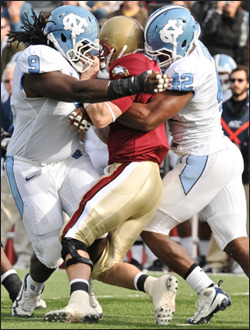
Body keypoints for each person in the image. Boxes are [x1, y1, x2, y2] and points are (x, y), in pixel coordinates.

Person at [5, 5, 167, 319]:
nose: (90, 51)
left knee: (91, 229)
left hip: (70, 159)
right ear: (62, 38)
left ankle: (81, 295)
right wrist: (133, 84)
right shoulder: (37, 57)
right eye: (83, 43)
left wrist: (87, 106)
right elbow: (74, 89)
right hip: (30, 166)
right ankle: (31, 289)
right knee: (51, 253)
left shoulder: (76, 67)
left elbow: (87, 100)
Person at [117, 4, 248, 324]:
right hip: (221, 152)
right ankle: (209, 292)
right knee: (237, 243)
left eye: (161, 53)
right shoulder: (198, 48)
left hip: (203, 158)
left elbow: (149, 119)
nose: (157, 60)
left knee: (148, 227)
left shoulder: (188, 67)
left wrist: (109, 96)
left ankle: (207, 290)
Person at [43, 15, 178, 325]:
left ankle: (80, 304)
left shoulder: (128, 63)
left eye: (104, 47)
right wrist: (90, 112)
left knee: (73, 233)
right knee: (103, 262)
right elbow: (107, 128)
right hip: (147, 178)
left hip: (132, 168)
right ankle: (156, 286)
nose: (101, 54)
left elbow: (103, 117)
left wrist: (86, 87)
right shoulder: (140, 64)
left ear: (117, 45)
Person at [205, 65, 249, 274]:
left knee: (244, 218)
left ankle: (241, 263)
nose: (235, 84)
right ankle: (215, 262)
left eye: (240, 80)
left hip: (247, 171)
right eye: (232, 80)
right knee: (220, 215)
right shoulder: (222, 107)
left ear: (247, 83)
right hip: (225, 170)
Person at [1, 62, 34, 269]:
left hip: (31, 168)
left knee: (28, 214)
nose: (8, 85)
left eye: (12, 80)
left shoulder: (34, 102)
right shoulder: (4, 107)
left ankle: (24, 258)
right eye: (5, 81)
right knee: (3, 211)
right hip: (9, 167)